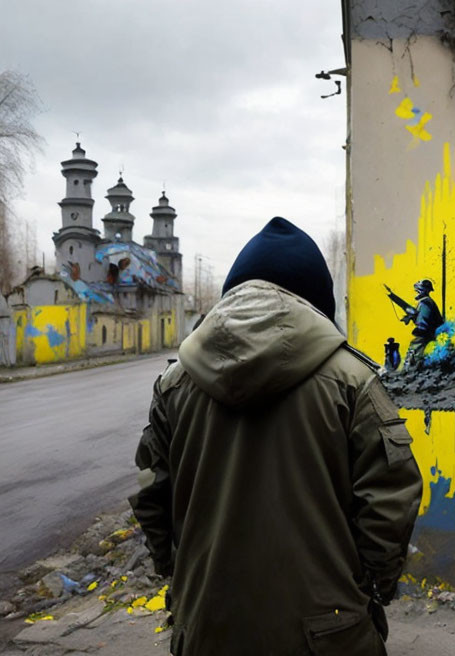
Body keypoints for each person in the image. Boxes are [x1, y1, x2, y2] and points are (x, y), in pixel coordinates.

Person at [129, 217, 423, 655]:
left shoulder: (174, 384)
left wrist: (182, 577)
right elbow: (389, 500)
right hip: (329, 634)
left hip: (207, 628)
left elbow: (152, 492)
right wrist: (370, 586)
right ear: (317, 302)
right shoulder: (352, 381)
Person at [404, 279, 443, 366]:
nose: (416, 292)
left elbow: (423, 322)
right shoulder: (425, 302)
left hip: (427, 333)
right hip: (429, 333)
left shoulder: (426, 303)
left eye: (419, 289)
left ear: (425, 290)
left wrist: (418, 331)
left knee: (415, 350)